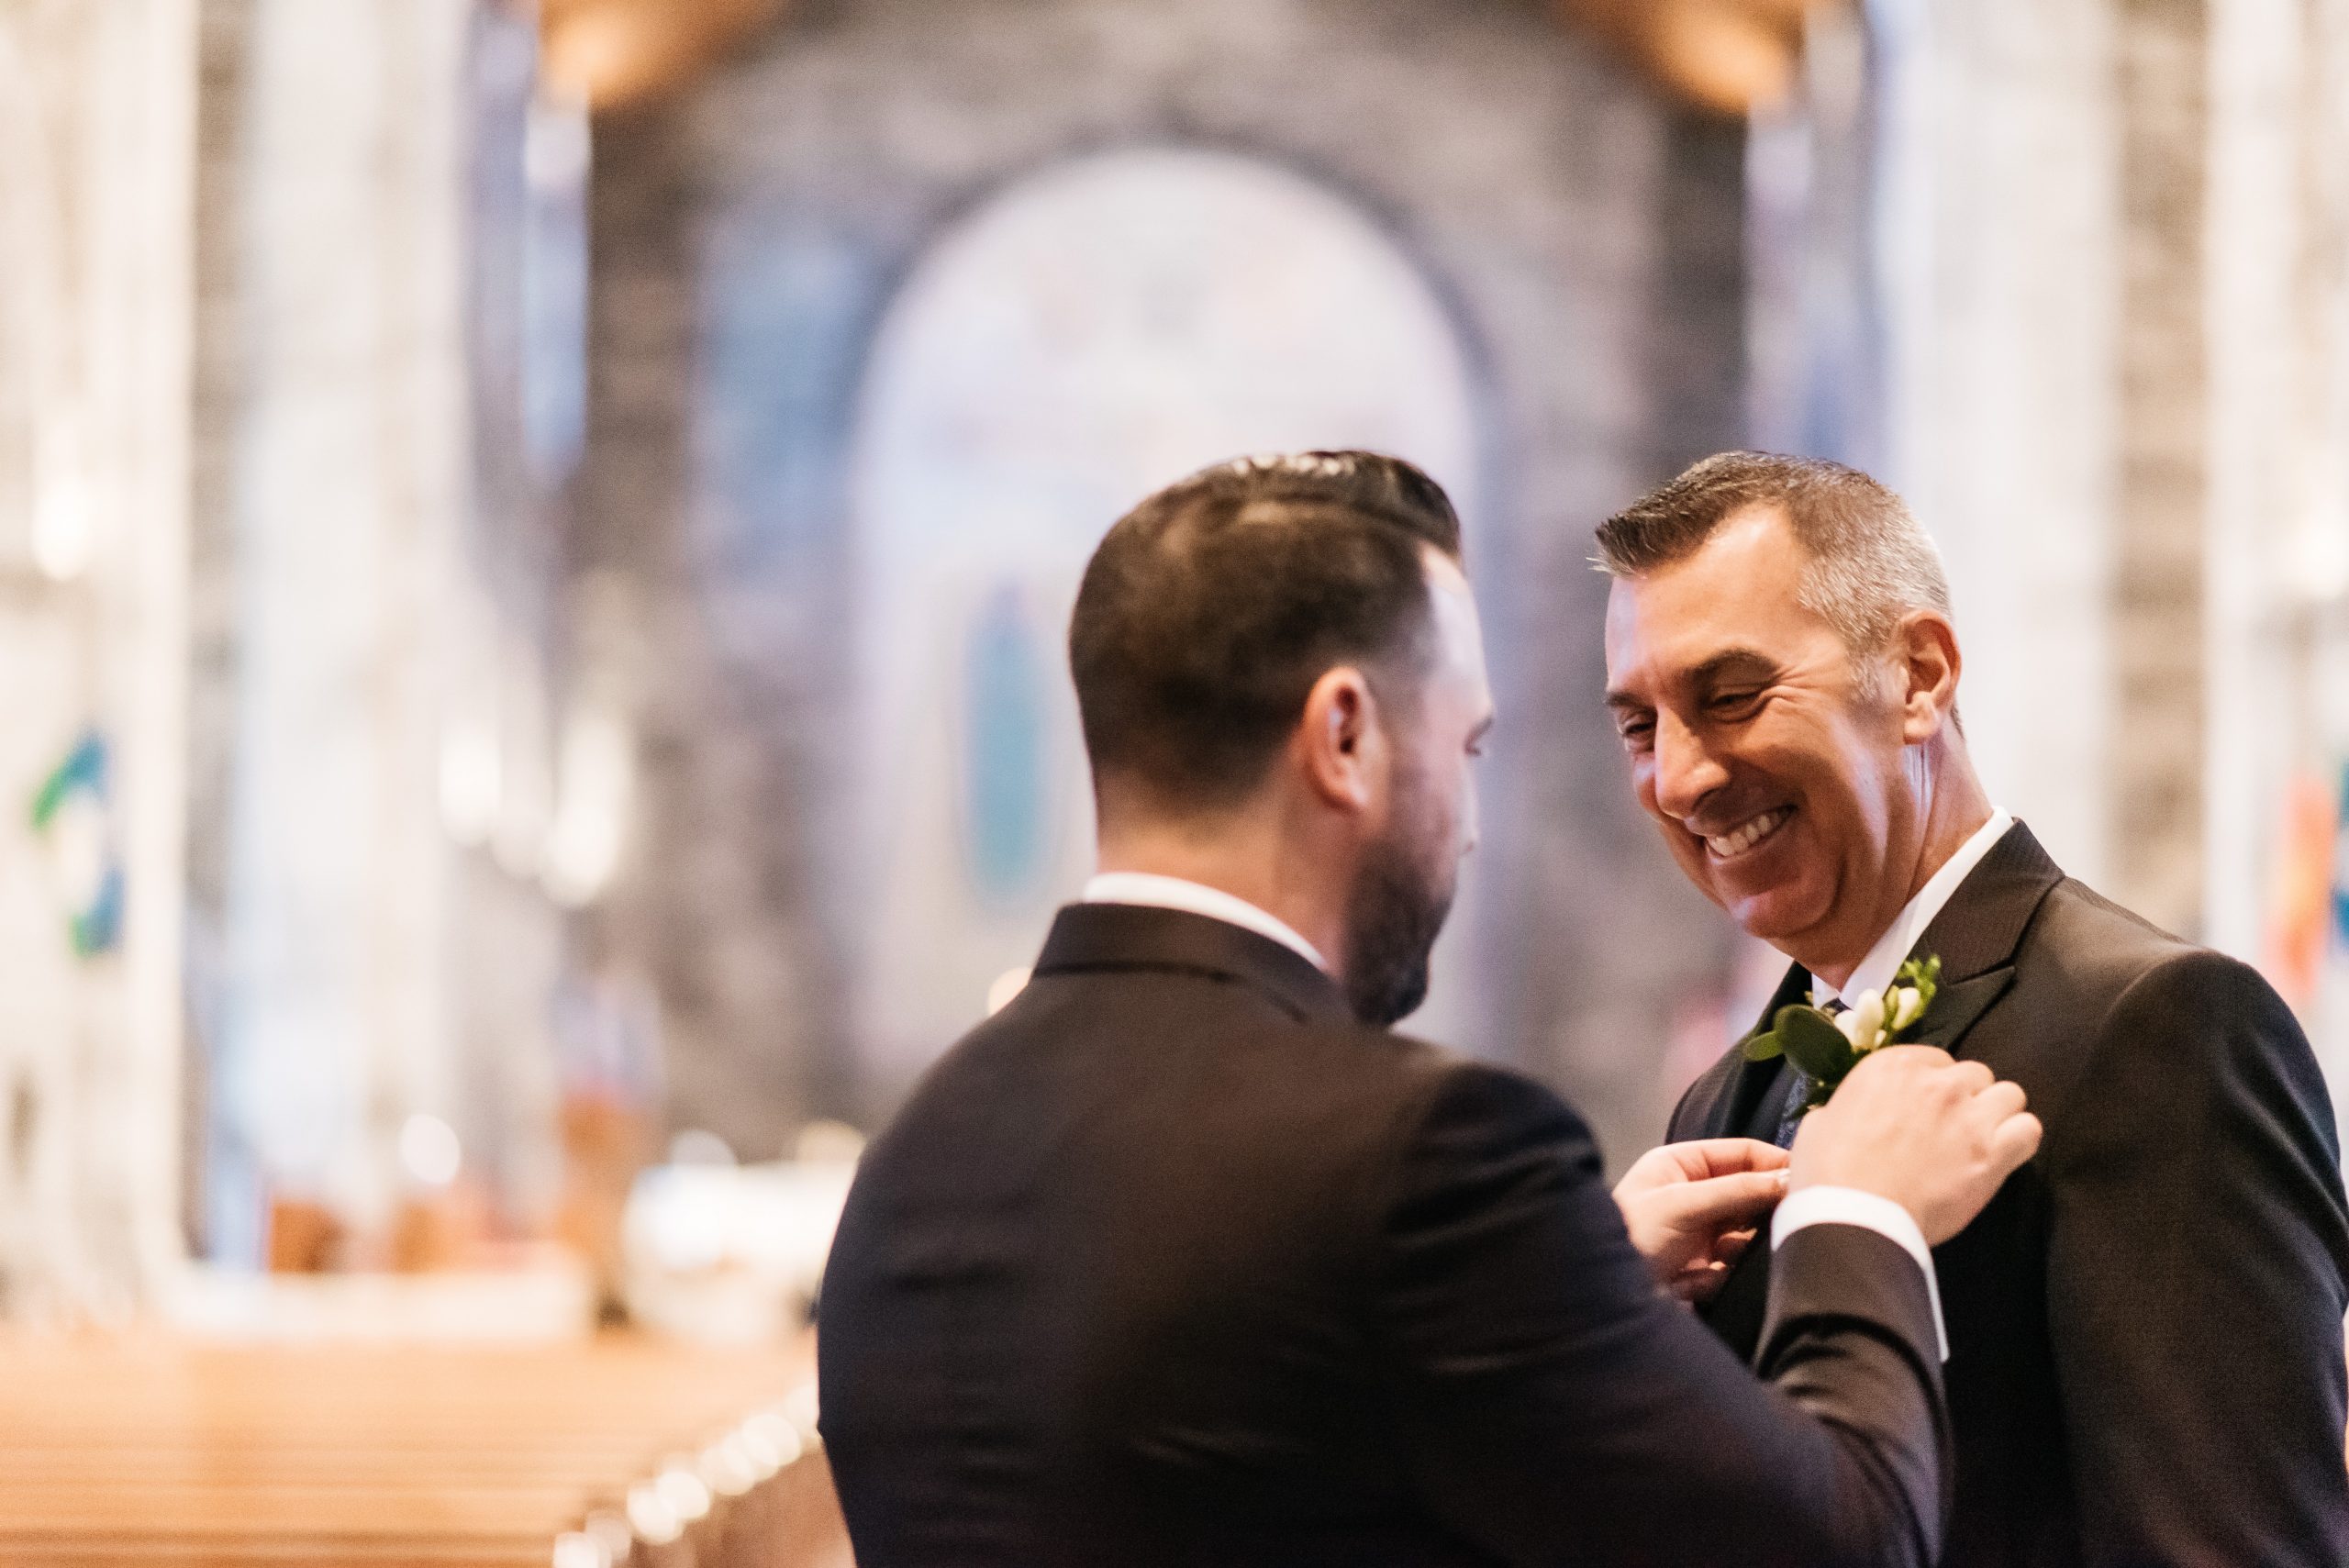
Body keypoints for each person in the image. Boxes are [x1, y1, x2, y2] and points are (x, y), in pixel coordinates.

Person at [819, 450, 2040, 1566]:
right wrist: (1854, 1214)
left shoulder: (920, 1153)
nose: (1465, 826)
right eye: (1463, 749)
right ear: (1344, 737)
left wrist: (1580, 1280)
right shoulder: (1420, 1153)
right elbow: (1840, 1544)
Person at [1599, 450, 2349, 1567]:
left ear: (1918, 674)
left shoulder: (2158, 1028)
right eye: (1640, 727)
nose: (1682, 775)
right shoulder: (1727, 1100)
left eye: (1731, 695)